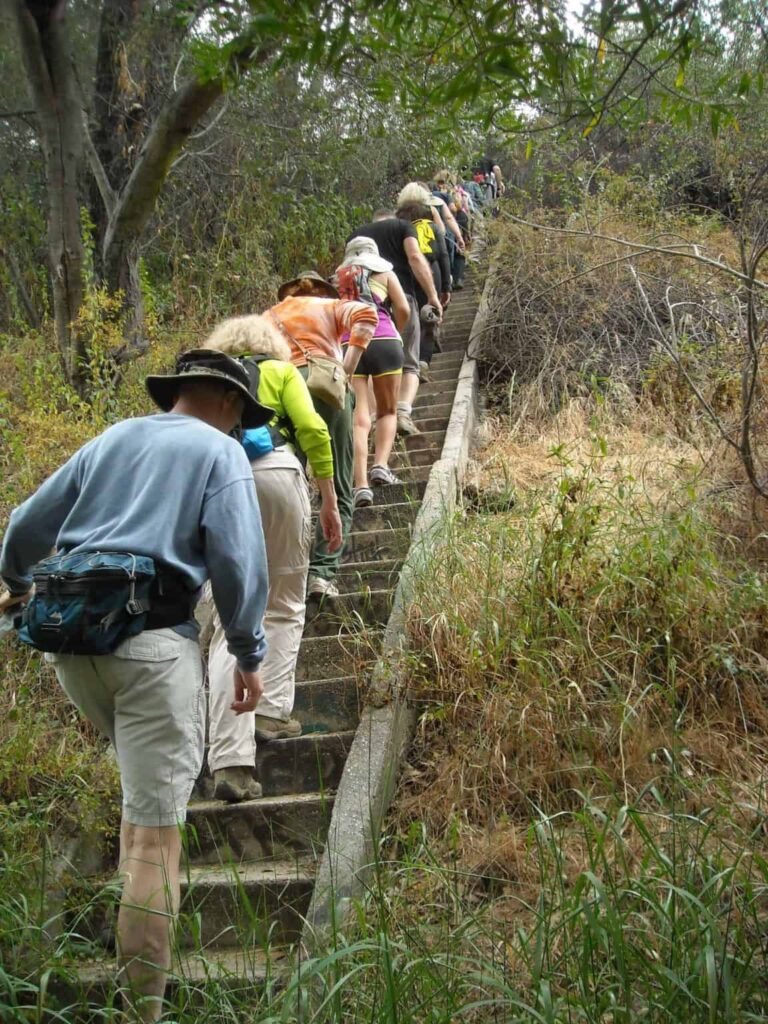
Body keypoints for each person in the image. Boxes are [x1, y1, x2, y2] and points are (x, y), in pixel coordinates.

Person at [0, 349, 273, 1021]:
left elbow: (22, 527)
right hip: (156, 650)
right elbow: (239, 562)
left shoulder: (113, 437)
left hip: (74, 652)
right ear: (231, 403)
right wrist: (247, 652)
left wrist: (14, 587)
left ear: (177, 391)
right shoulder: (220, 453)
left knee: (136, 821)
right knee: (158, 844)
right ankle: (141, 1014)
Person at [200, 314, 343, 800]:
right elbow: (314, 430)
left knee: (228, 620)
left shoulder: (212, 381)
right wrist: (329, 497)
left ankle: (230, 763)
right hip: (277, 475)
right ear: (271, 344)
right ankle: (271, 711)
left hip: (220, 482)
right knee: (283, 603)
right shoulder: (282, 373)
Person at [268, 270, 378, 600]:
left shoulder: (269, 315)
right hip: (326, 388)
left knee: (291, 476)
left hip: (282, 388)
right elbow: (366, 314)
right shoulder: (329, 306)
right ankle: (321, 573)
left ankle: (287, 568)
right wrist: (347, 368)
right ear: (322, 291)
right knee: (341, 481)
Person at [348, 210, 443, 437]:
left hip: (363, 307)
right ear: (392, 217)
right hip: (402, 297)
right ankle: (402, 413)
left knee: (369, 369)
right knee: (410, 362)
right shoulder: (402, 227)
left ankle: (374, 418)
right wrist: (433, 296)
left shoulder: (356, 235)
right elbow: (415, 257)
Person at [334, 236, 411, 507]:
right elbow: (403, 308)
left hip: (349, 344)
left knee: (358, 417)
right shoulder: (385, 273)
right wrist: (394, 332)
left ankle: (360, 485)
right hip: (385, 342)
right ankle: (380, 465)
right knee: (388, 410)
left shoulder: (337, 279)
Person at [395, 199, 451, 375]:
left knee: (413, 315)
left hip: (408, 275)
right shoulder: (431, 227)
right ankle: (423, 361)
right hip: (432, 271)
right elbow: (443, 255)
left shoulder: (400, 231)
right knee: (430, 314)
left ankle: (411, 359)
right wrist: (446, 287)